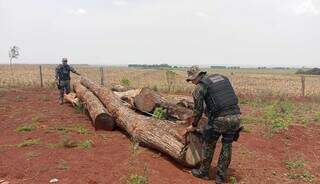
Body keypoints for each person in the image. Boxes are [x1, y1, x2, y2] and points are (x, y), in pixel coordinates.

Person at [185, 65, 241, 184]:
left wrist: (193, 125)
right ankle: (220, 177)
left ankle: (203, 172)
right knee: (227, 145)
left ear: (197, 76)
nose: (191, 82)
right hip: (236, 116)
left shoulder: (200, 88)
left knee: (208, 142)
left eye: (191, 79)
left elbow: (198, 110)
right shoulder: (222, 77)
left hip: (220, 119)